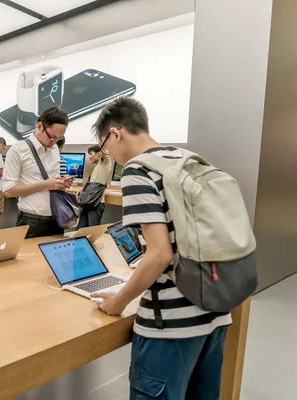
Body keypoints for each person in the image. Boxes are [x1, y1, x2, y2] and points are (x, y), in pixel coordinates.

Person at [90, 97, 232, 400]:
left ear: (115, 133)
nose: (109, 155)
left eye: (104, 146)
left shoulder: (138, 171)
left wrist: (119, 301)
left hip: (171, 322)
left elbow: (159, 254)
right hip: (216, 310)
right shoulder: (189, 159)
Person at [3, 107, 73, 238]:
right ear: (39, 125)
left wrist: (62, 182)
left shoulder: (54, 149)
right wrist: (45, 184)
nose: (54, 142)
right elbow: (8, 191)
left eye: (59, 138)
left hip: (57, 218)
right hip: (32, 221)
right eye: (52, 137)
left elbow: (52, 182)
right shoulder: (18, 150)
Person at [76, 144, 112, 228]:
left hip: (97, 203)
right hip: (88, 202)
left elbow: (104, 149)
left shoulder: (105, 164)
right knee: (79, 229)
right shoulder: (96, 168)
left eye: (91, 154)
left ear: (99, 154)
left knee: (91, 230)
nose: (89, 157)